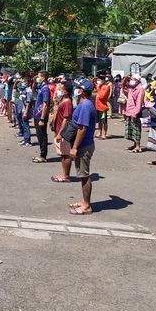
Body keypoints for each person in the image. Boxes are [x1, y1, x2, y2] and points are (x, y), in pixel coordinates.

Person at [56, 79, 96, 215]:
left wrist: (75, 147)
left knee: (84, 175)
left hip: (84, 145)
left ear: (82, 91)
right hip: (82, 144)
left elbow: (82, 128)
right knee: (81, 175)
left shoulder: (85, 106)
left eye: (79, 88)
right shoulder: (84, 104)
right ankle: (84, 201)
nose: (76, 90)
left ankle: (87, 206)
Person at [50, 82, 74, 183]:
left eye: (61, 88)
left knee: (66, 154)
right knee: (63, 154)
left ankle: (66, 175)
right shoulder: (63, 100)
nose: (59, 89)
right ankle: (64, 173)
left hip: (63, 132)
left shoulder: (67, 102)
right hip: (59, 130)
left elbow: (66, 119)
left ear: (65, 91)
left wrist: (60, 133)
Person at [32, 71, 51, 163]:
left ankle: (43, 155)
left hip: (41, 115)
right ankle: (41, 153)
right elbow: (33, 90)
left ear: (43, 78)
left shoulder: (45, 89)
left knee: (42, 135)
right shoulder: (41, 87)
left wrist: (42, 118)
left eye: (39, 76)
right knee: (39, 135)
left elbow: (46, 104)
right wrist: (35, 81)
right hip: (37, 114)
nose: (37, 77)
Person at [124, 75, 144, 153]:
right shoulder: (131, 88)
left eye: (132, 79)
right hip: (129, 110)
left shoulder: (140, 89)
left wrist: (135, 113)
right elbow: (122, 86)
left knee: (136, 129)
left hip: (135, 112)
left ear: (137, 80)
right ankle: (134, 144)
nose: (131, 81)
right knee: (131, 129)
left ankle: (138, 146)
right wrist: (126, 79)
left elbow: (139, 102)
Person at [15, 79, 34, 147]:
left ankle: (28, 141)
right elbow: (16, 86)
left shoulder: (29, 91)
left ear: (28, 83)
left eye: (24, 82)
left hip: (24, 110)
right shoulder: (22, 89)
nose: (23, 83)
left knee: (26, 125)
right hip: (20, 109)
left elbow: (28, 102)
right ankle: (25, 139)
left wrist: (26, 112)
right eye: (22, 82)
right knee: (23, 125)